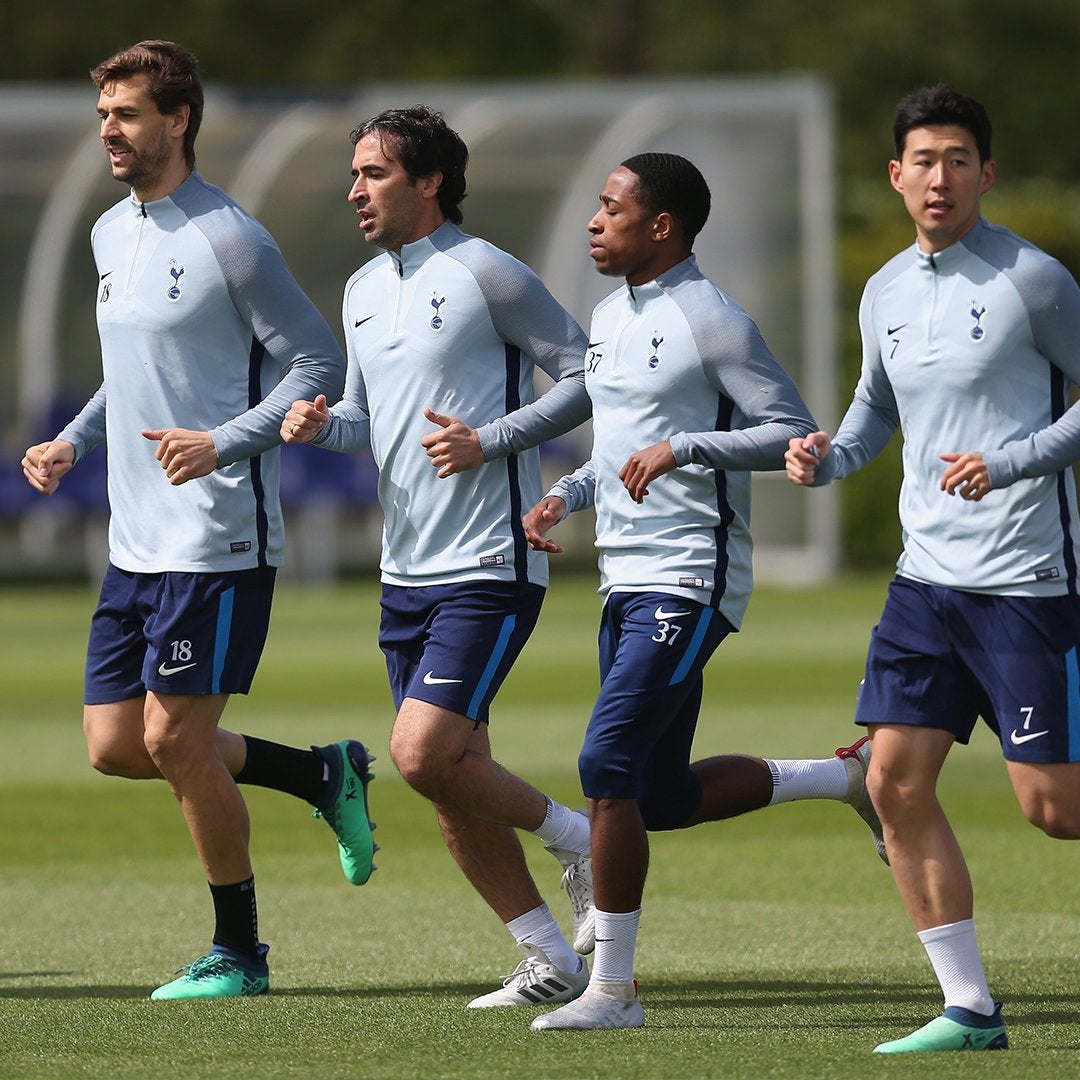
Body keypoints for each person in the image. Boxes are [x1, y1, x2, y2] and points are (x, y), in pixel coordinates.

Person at [20, 40, 375, 1002]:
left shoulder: (233, 239)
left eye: (126, 114)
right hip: (134, 540)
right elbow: (129, 371)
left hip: (218, 534)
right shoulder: (109, 232)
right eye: (103, 115)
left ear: (177, 121)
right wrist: (73, 442)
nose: (109, 132)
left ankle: (241, 955)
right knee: (116, 747)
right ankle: (322, 776)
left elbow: (315, 366)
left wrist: (225, 442)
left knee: (177, 743)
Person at [522, 152, 885, 1032]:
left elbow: (792, 432)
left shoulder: (713, 318)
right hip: (623, 580)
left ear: (662, 227)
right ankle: (848, 783)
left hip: (690, 577)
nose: (592, 221)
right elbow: (618, 447)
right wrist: (566, 495)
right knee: (655, 798)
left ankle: (613, 991)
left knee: (603, 768)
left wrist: (688, 447)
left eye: (611, 208)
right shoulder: (609, 317)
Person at [785, 83, 1080, 1053]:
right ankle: (969, 1010)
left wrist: (1012, 461)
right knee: (893, 785)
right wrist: (826, 457)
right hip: (924, 586)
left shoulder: (1033, 280)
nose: (939, 177)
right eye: (923, 160)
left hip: (1031, 585)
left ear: (985, 174)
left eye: (958, 159)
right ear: (895, 176)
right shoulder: (885, 292)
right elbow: (873, 417)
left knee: (1055, 810)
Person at [282, 105, 596, 1008]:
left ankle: (578, 839)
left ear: (429, 183)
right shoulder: (361, 288)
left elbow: (583, 375)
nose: (355, 190)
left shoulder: (487, 271)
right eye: (354, 175)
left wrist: (491, 442)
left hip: (489, 565)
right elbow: (366, 421)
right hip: (405, 573)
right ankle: (550, 957)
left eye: (374, 174)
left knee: (419, 755)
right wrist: (318, 425)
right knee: (454, 784)